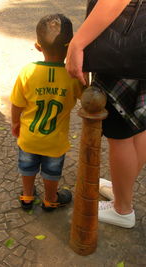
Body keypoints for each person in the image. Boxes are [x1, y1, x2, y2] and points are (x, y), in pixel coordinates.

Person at [66, 0, 146, 228]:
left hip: (123, 53)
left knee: (120, 133)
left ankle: (122, 208)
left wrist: (77, 43)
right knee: (138, 126)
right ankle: (122, 190)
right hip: (139, 48)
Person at [10, 14, 83, 211]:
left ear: (38, 46)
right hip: (55, 141)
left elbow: (16, 104)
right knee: (52, 172)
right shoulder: (72, 76)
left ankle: (27, 196)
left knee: (27, 167)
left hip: (29, 137)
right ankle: (50, 199)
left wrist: (15, 123)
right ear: (70, 45)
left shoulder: (27, 71)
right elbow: (87, 98)